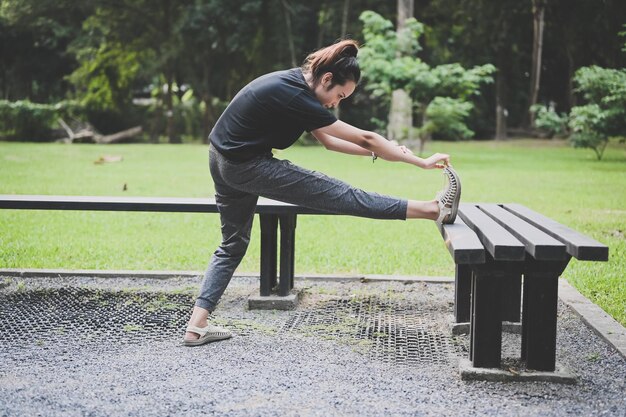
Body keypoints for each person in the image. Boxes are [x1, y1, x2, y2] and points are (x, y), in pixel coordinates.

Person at [182, 39, 461, 346]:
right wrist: (420, 162)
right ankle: (435, 210)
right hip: (246, 165)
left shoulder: (296, 87)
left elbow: (330, 141)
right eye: (339, 95)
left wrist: (380, 153)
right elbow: (367, 137)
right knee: (343, 194)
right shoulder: (294, 95)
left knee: (232, 244)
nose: (336, 103)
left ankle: (197, 326)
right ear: (327, 79)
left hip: (221, 159)